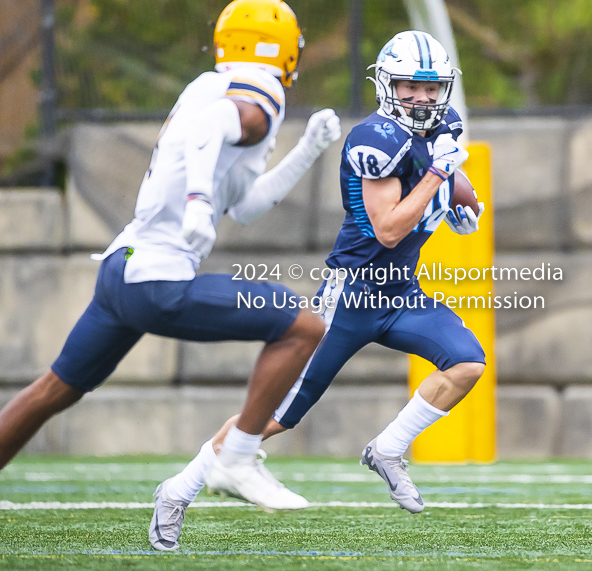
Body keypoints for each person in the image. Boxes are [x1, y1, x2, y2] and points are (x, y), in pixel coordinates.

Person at [0, 0, 341, 552]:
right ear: (282, 50)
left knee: (52, 390)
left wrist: (308, 149)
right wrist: (200, 202)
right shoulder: (261, 91)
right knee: (304, 327)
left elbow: (249, 204)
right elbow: (211, 134)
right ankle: (236, 457)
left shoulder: (208, 86)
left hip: (120, 271)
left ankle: (236, 456)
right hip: (156, 280)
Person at [159, 29, 486, 539]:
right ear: (386, 86)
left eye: (430, 88)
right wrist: (442, 177)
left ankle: (389, 449)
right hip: (350, 297)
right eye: (409, 87)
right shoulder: (374, 140)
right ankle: (179, 489)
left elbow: (445, 171)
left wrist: (466, 201)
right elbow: (391, 226)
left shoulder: (442, 124)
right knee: (274, 417)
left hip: (402, 293)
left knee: (467, 363)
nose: (422, 98)